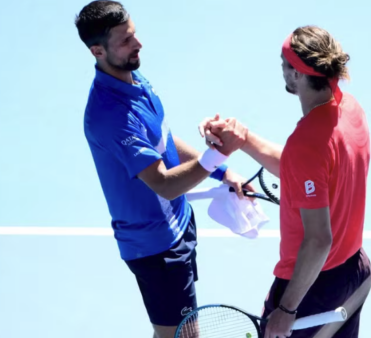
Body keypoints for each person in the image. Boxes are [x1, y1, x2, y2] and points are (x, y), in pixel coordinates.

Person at [74, 1, 250, 337]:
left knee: (177, 331)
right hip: (156, 247)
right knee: (183, 335)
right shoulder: (111, 117)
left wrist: (222, 171)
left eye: (134, 35)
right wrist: (216, 156)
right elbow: (164, 185)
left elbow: (164, 141)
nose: (138, 45)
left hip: (179, 224)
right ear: (97, 50)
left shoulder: (134, 77)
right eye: (125, 41)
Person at [200, 25, 371, 338]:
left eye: (283, 63)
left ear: (297, 73)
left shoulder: (308, 143)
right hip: (353, 272)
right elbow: (305, 168)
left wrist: (287, 309)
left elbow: (319, 239)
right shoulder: (350, 109)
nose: (280, 68)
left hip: (311, 290)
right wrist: (243, 138)